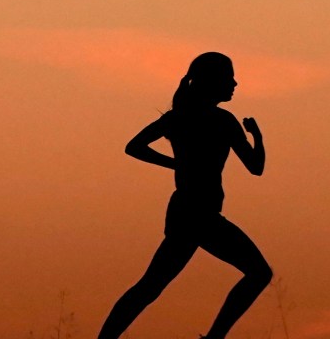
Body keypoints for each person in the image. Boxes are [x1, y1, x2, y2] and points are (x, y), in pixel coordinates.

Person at [95, 52, 272, 339]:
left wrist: (175, 163)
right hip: (198, 215)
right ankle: (214, 337)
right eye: (228, 77)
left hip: (187, 213)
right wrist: (258, 137)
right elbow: (256, 167)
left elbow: (134, 147)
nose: (235, 83)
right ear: (211, 81)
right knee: (258, 273)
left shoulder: (181, 118)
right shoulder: (221, 121)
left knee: (150, 286)